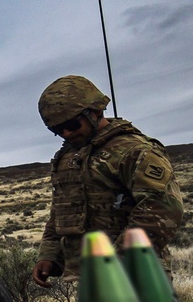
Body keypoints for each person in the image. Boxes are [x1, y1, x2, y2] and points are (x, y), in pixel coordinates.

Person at [32, 75, 185, 289]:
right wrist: (49, 254)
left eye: (72, 124)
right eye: (57, 130)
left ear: (95, 112)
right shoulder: (68, 157)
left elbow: (162, 210)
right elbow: (62, 210)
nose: (66, 133)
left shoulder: (134, 151)